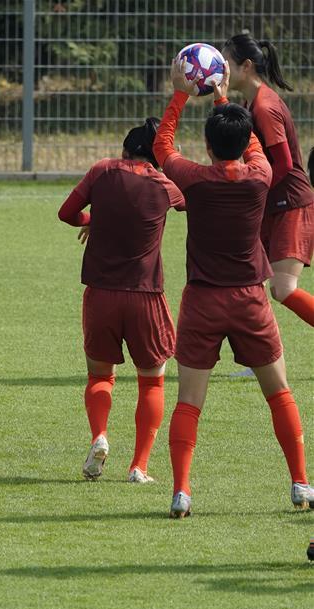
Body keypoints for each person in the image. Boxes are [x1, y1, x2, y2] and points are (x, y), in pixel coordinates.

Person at [152, 58, 313, 519]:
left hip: (202, 300)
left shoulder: (192, 179)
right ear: (245, 144)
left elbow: (163, 145)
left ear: (206, 143)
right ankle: (301, 483)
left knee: (188, 402)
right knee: (279, 393)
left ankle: (182, 491)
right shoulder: (259, 176)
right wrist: (223, 94)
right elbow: (258, 147)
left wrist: (183, 92)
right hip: (249, 301)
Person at [58, 118, 185, 483]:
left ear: (125, 150)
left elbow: (66, 214)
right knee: (152, 382)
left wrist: (92, 221)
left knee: (100, 376)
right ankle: (139, 467)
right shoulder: (164, 184)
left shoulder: (101, 171)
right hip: (145, 295)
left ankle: (99, 435)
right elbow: (190, 203)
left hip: (100, 294)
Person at [222, 34, 314, 327]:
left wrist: (254, 192)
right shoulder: (252, 102)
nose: (221, 70)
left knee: (283, 289)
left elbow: (285, 164)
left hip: (291, 204)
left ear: (246, 66)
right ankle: (260, 360)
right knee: (249, 280)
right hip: (272, 203)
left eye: (226, 64)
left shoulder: (264, 107)